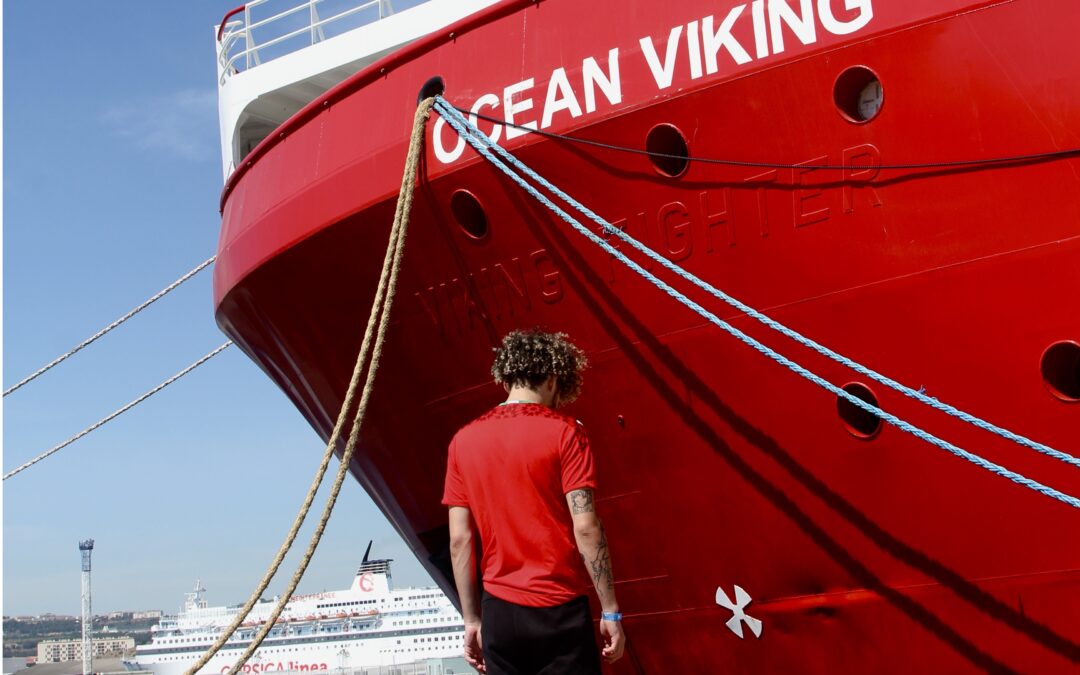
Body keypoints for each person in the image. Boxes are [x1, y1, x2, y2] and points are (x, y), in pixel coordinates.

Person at [442, 329, 625, 674]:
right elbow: (586, 527)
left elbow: (459, 540)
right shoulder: (567, 432)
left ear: (508, 376)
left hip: (499, 613)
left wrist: (471, 620)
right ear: (554, 379)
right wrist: (611, 609)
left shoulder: (462, 441)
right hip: (558, 608)